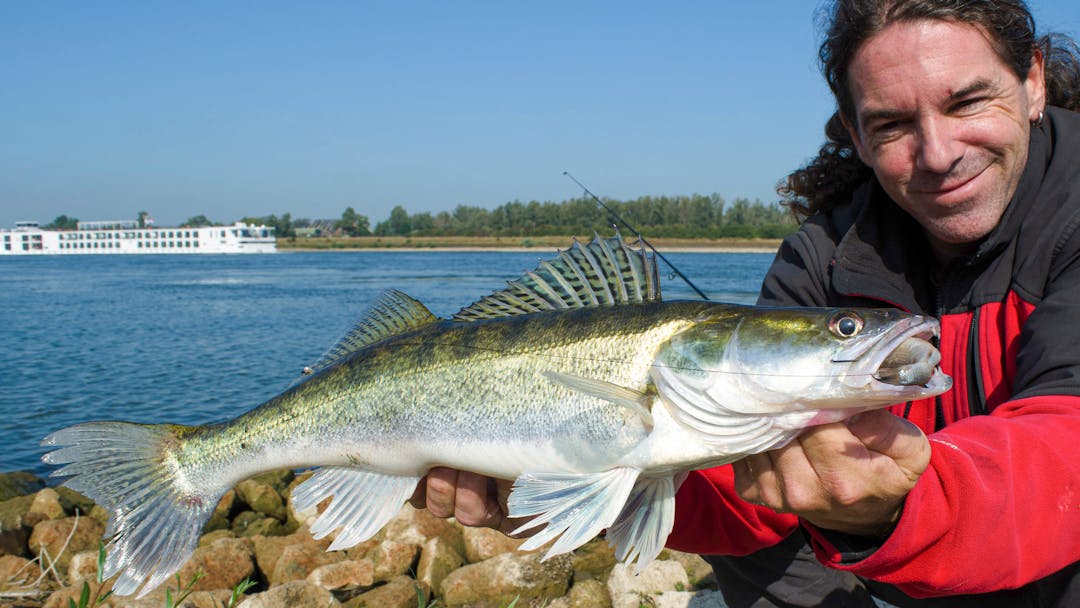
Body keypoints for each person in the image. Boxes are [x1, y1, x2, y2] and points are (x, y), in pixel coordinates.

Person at [410, 1, 1080, 605]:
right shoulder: (822, 256)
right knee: (759, 549)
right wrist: (572, 476)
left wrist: (899, 507)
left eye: (966, 103)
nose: (937, 153)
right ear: (854, 129)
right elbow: (748, 499)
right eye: (893, 122)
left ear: (1034, 82)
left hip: (1048, 569)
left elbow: (1065, 453)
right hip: (905, 562)